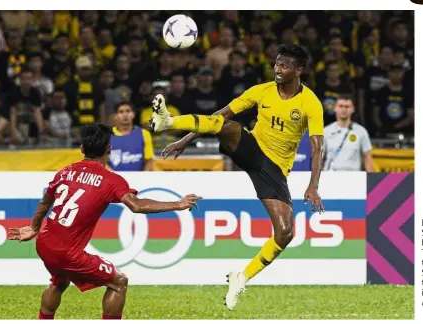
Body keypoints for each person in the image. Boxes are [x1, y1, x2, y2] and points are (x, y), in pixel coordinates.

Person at [148, 44, 325, 311]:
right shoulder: (261, 91)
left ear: (298, 71)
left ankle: (241, 277)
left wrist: (313, 184)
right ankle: (167, 121)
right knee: (229, 126)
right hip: (252, 149)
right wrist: (184, 138)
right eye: (276, 63)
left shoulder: (310, 102)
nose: (277, 69)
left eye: (284, 66)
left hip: (275, 169)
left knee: (286, 233)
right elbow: (220, 115)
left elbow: (317, 146)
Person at [8, 123, 201, 320]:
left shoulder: (65, 172)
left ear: (82, 149)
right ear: (109, 149)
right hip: (68, 253)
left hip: (44, 243)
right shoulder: (111, 180)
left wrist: (34, 227)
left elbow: (45, 202)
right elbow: (136, 205)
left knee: (59, 281)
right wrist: (178, 204)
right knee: (119, 282)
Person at [323, 95, 373, 172]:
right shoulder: (326, 131)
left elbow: (367, 156)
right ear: (335, 108)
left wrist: (370, 178)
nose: (344, 109)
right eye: (341, 106)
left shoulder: (361, 131)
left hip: (353, 176)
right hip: (331, 176)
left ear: (353, 109)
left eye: (347, 107)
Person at [109, 102, 154, 171]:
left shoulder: (144, 133)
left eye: (128, 111)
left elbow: (149, 161)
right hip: (114, 179)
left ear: (133, 114)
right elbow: (102, 162)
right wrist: (114, 177)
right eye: (121, 112)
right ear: (115, 116)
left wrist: (144, 178)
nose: (125, 115)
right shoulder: (107, 135)